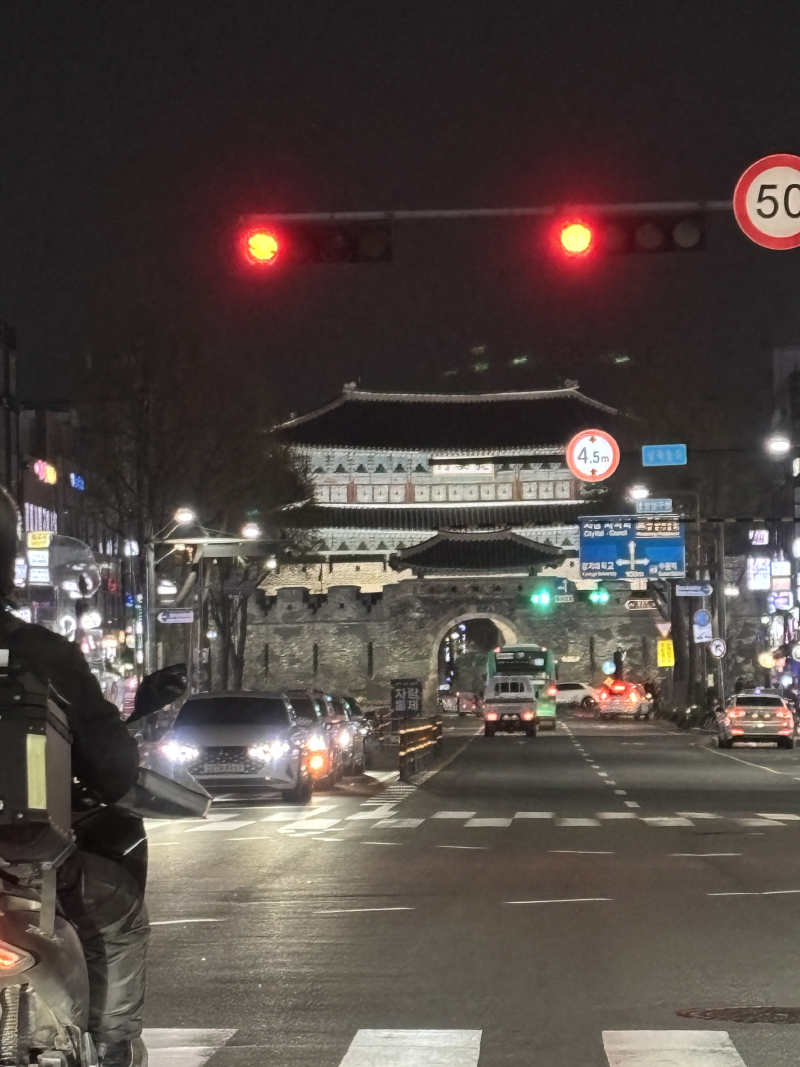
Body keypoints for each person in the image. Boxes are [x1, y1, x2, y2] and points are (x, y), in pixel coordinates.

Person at [0, 488, 147, 1067]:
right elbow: (111, 770)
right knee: (119, 909)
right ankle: (110, 1049)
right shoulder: (40, 653)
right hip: (20, 863)